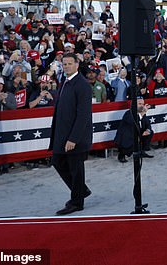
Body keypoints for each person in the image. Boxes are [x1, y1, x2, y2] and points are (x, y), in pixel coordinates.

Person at [48, 53, 93, 215]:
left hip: (75, 137)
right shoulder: (65, 82)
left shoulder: (82, 85)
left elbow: (83, 115)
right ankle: (81, 190)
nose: (66, 66)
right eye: (64, 64)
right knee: (58, 161)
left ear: (77, 65)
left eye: (69, 64)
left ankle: (77, 202)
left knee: (76, 168)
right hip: (62, 134)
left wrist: (73, 138)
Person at [113, 97, 154, 163]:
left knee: (150, 133)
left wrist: (148, 130)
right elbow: (132, 122)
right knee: (128, 139)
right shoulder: (128, 113)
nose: (142, 106)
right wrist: (142, 113)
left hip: (137, 134)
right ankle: (122, 155)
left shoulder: (142, 113)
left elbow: (148, 124)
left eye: (143, 104)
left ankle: (141, 151)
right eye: (140, 104)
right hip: (127, 137)